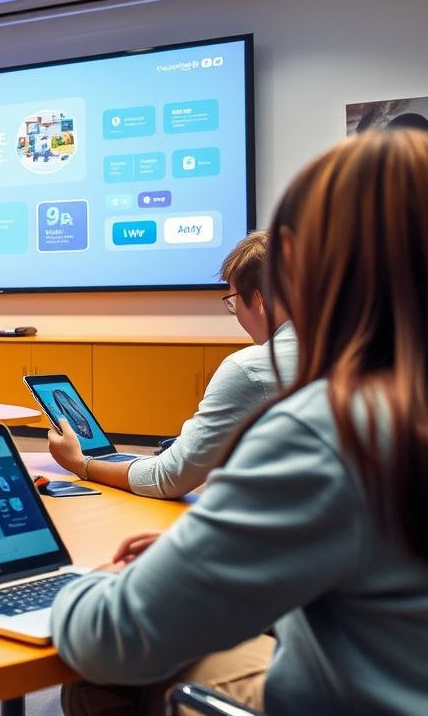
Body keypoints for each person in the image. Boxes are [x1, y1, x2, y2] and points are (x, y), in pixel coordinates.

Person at [51, 129, 428, 715]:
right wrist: (216, 555)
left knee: (106, 677)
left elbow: (111, 639)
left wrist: (81, 583)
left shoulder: (328, 425)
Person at [47, 231, 297, 498]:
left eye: (233, 301)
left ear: (257, 299)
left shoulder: (251, 368)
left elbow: (167, 478)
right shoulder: (343, 353)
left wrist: (80, 463)